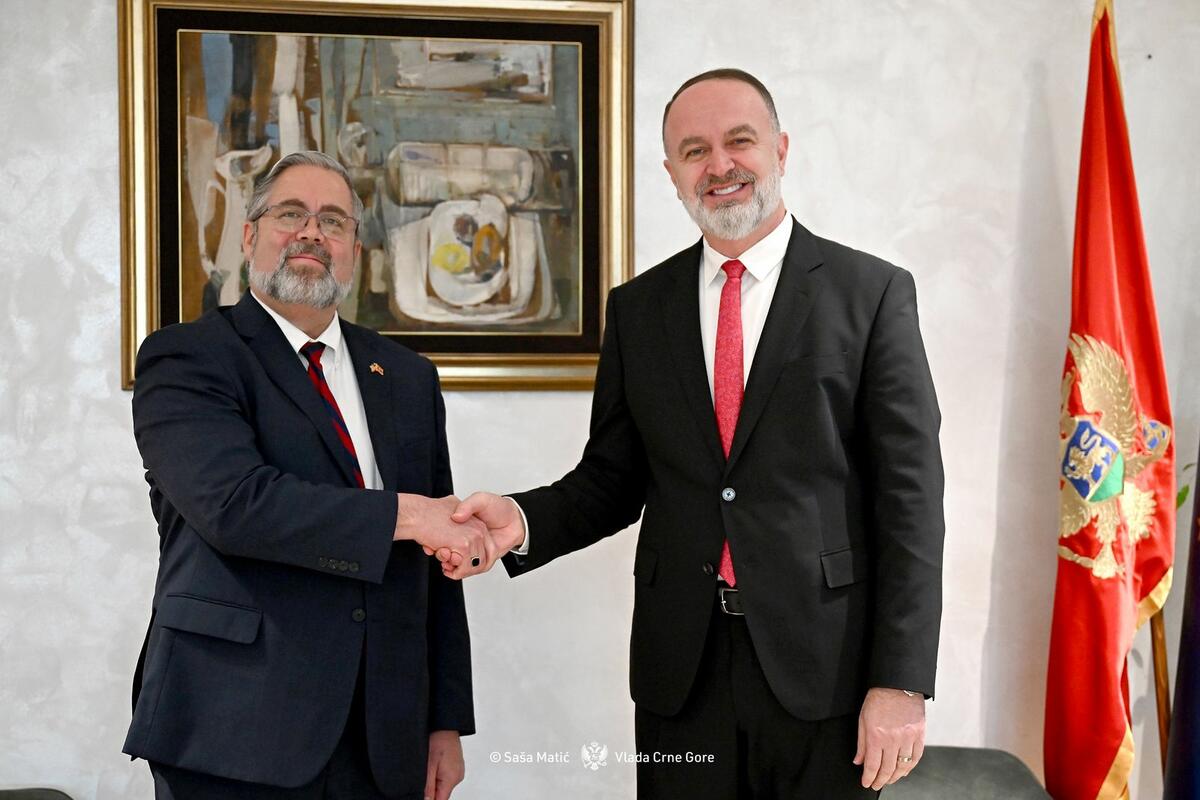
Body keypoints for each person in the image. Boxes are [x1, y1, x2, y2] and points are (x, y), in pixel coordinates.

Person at [447, 69, 945, 798]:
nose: (719, 165)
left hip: (826, 671)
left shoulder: (871, 294)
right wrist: (519, 520)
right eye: (694, 150)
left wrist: (900, 681)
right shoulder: (638, 309)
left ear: (780, 149)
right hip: (681, 674)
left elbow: (911, 501)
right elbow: (612, 480)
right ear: (671, 172)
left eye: (739, 141)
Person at [123, 151, 489, 800]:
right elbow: (237, 507)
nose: (312, 233)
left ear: (354, 252)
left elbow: (433, 567)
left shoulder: (407, 377)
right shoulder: (187, 357)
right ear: (249, 236)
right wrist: (410, 514)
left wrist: (444, 719)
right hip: (234, 725)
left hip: (384, 735)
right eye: (290, 214)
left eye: (334, 221)